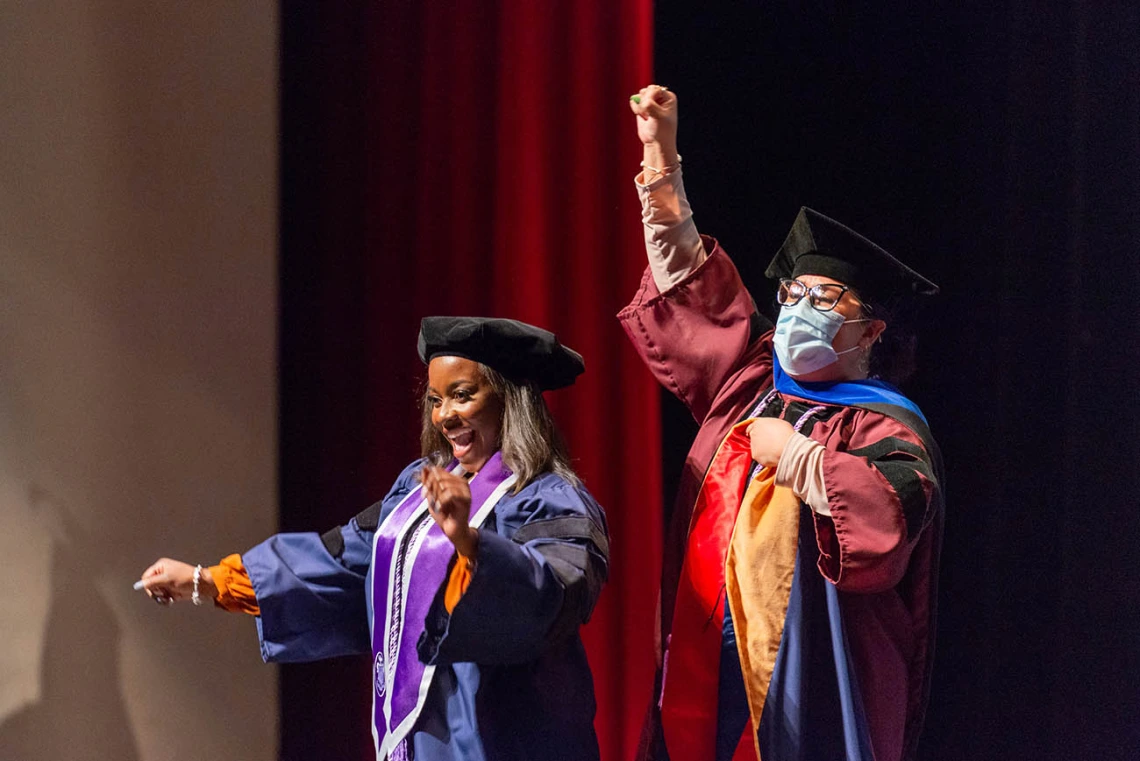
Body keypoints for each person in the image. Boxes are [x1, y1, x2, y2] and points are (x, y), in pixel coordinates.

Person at [621, 85, 944, 761]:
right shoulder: (752, 377)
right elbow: (693, 281)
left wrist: (799, 457)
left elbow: (890, 515)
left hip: (812, 684)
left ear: (869, 329)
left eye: (823, 298)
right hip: (709, 661)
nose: (799, 309)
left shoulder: (885, 425)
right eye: (792, 294)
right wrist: (660, 156)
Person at [138, 316, 610, 761]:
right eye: (435, 400)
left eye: (462, 395)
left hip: (506, 739)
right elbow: (344, 559)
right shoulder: (416, 491)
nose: (445, 416)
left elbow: (550, 599)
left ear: (511, 399)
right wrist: (207, 580)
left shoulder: (550, 501)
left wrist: (469, 543)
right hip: (422, 744)